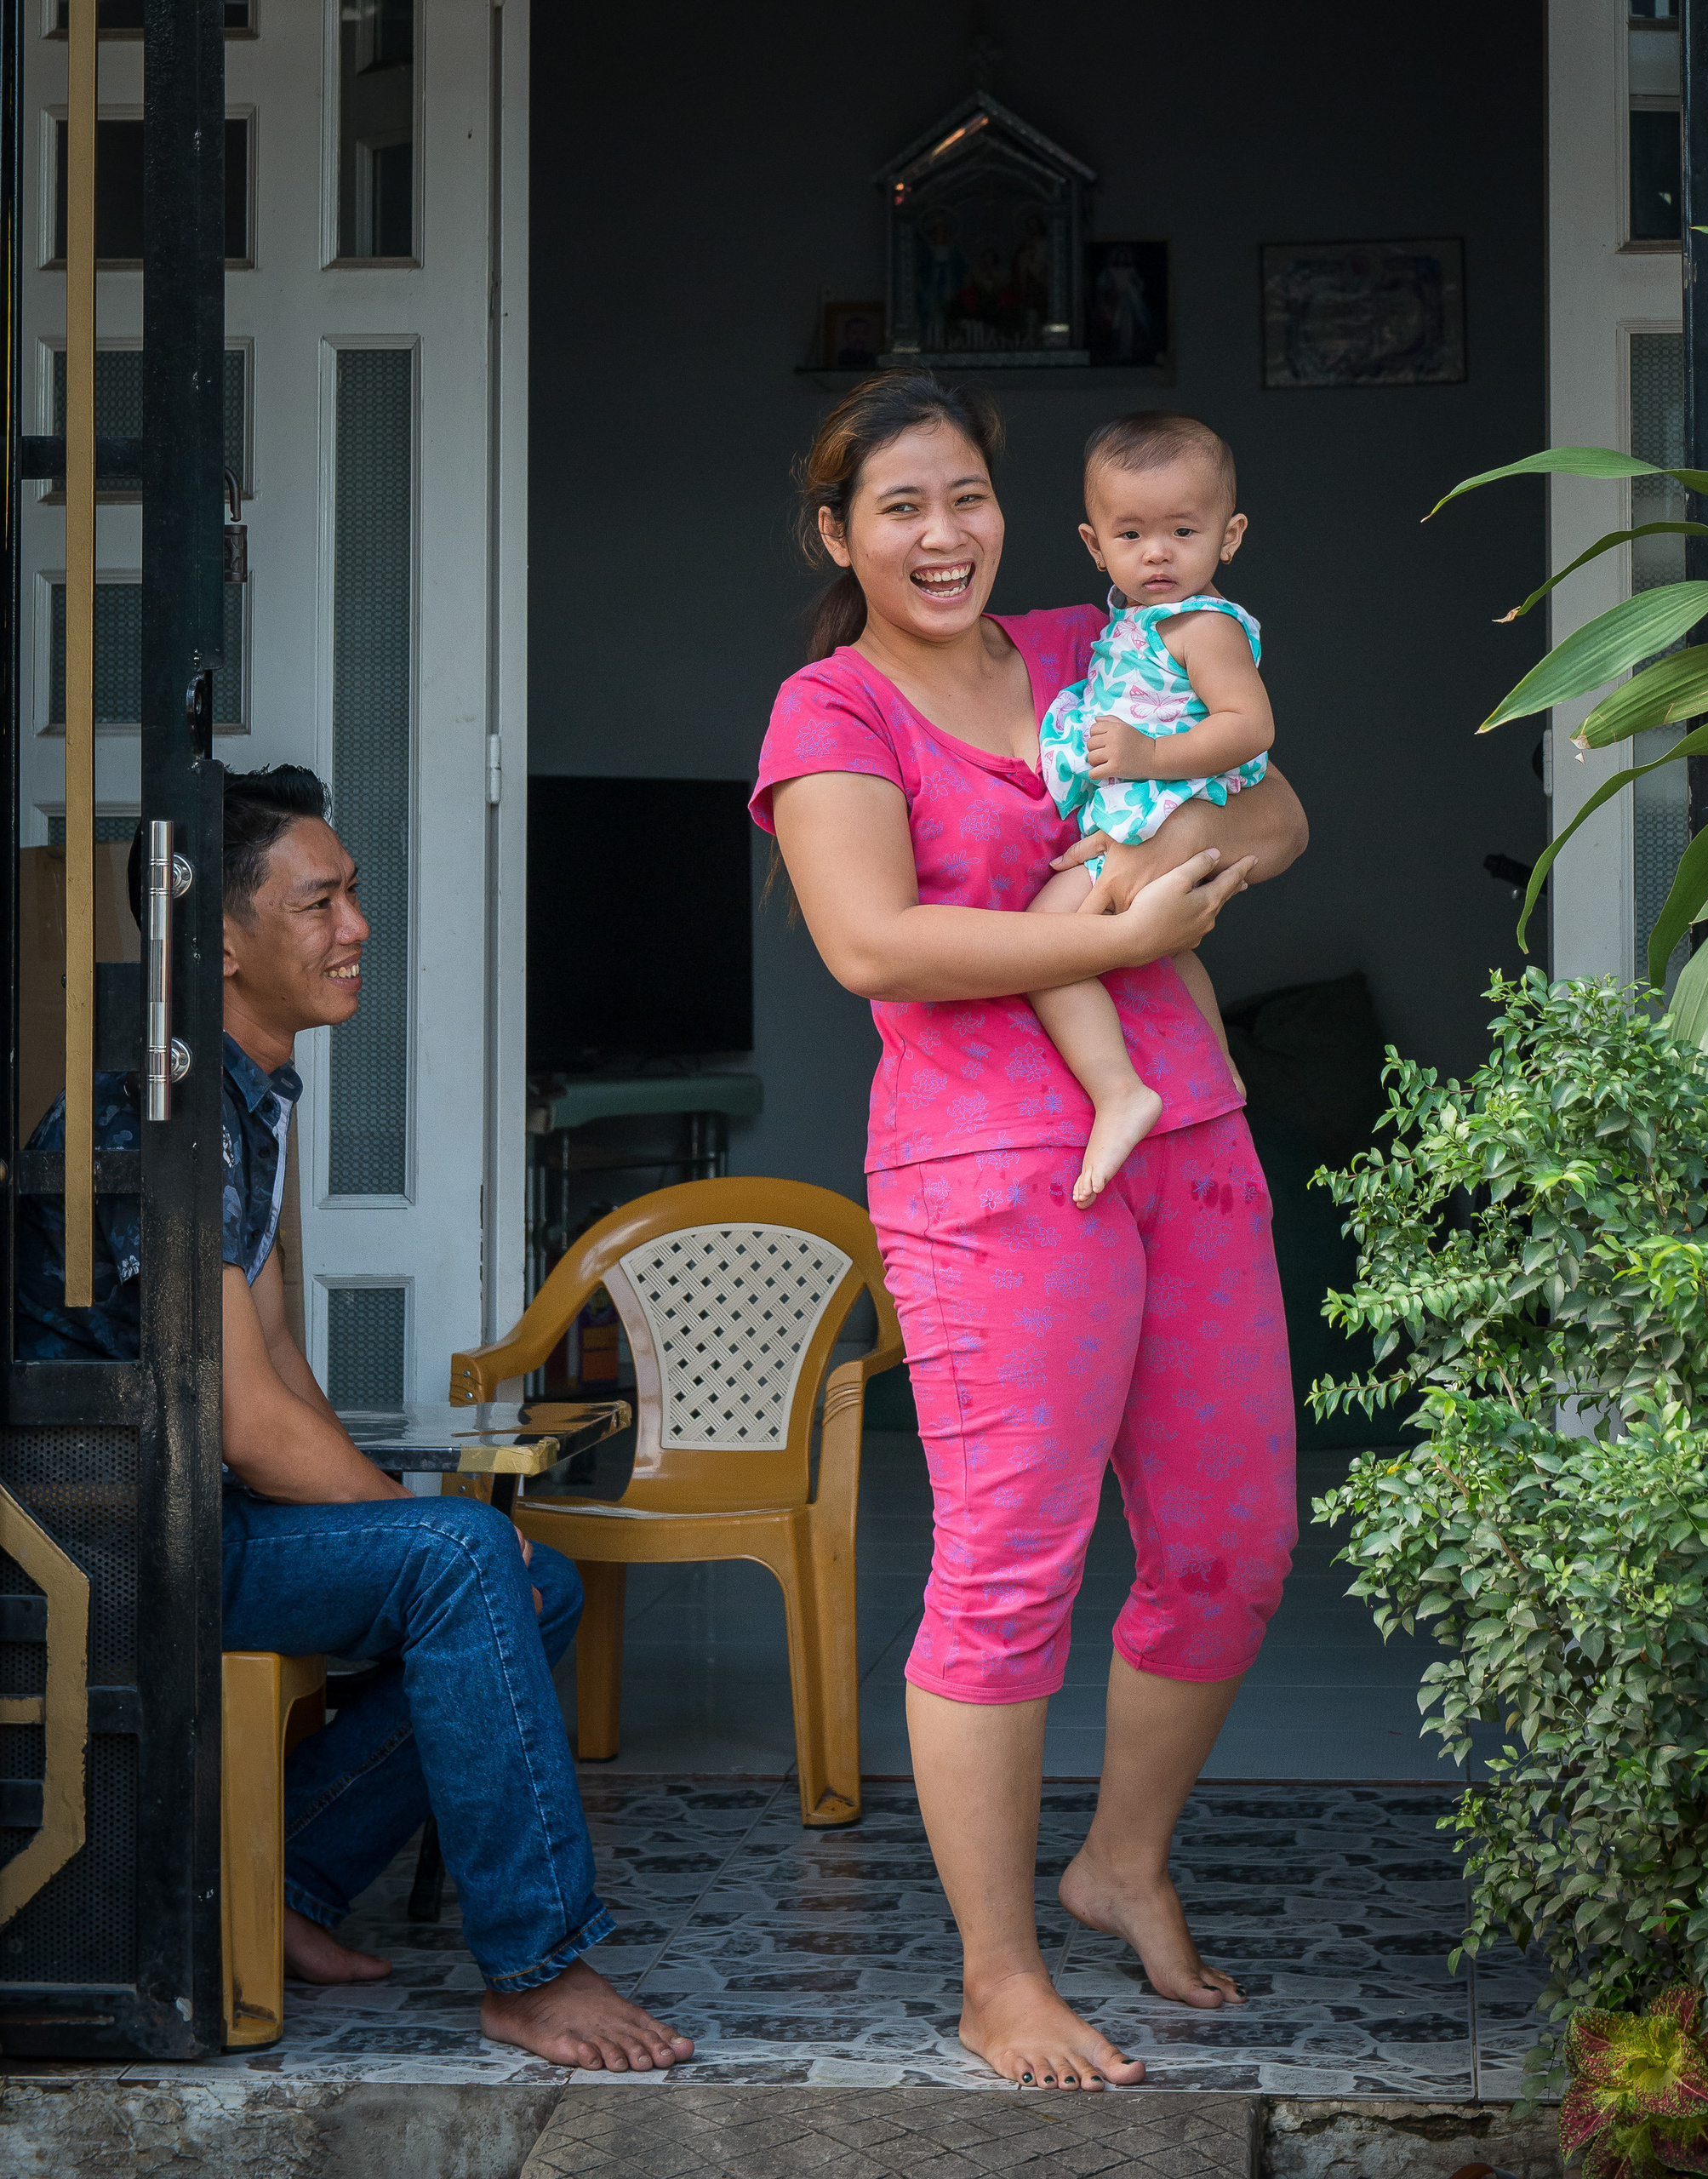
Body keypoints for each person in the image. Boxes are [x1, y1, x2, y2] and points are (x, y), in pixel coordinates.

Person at [755, 372, 1308, 2092]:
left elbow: (1278, 812)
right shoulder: (830, 708)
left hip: (1188, 1128)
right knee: (1008, 1571)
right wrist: (1123, 926)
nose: (944, 534)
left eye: (967, 495)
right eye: (901, 506)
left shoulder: (1099, 635)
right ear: (838, 534)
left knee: (1234, 1536)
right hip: (996, 1165)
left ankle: (1118, 1856)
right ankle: (999, 1973)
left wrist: (1150, 882)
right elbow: (877, 947)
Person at [14, 767, 693, 2074]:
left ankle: (292, 1884)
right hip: (101, 1544)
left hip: (190, 1518)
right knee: (468, 1560)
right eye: (321, 900)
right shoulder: (156, 1118)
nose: (357, 926)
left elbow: (274, 1369)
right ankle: (536, 1971)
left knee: (534, 1580)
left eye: (354, 894)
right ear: (219, 941)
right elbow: (252, 1428)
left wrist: (421, 1538)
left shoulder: (241, 1104)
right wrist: (428, 1540)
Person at [1029, 411, 1271, 1206]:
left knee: (1045, 950)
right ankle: (1218, 1065)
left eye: (1182, 530)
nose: (1157, 552)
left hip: (1165, 809)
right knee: (1170, 955)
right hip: (1144, 812)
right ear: (1095, 546)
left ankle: (1118, 1092)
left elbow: (1250, 727)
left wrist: (1146, 759)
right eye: (1130, 534)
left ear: (1229, 537)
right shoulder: (1126, 625)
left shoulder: (1205, 627)